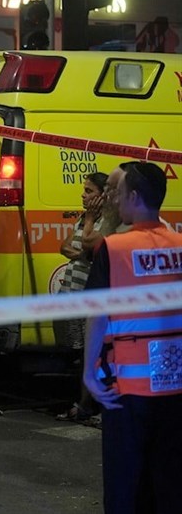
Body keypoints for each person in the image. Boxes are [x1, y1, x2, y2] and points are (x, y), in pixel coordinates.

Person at [83, 161, 182, 514]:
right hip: (175, 387)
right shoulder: (179, 245)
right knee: (170, 484)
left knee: (125, 487)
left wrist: (88, 374)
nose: (115, 199)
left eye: (120, 193)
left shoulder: (115, 248)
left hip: (126, 388)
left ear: (136, 197)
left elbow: (97, 315)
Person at [56, 172, 108, 425]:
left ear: (102, 195)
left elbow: (90, 246)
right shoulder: (83, 218)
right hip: (73, 293)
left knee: (92, 354)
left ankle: (90, 406)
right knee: (80, 354)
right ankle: (83, 403)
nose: (83, 195)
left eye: (89, 191)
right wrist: (80, 255)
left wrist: (88, 222)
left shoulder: (106, 222)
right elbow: (65, 247)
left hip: (91, 297)